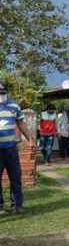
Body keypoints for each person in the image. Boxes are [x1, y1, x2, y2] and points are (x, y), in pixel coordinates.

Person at [0, 79, 36, 216]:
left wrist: (30, 139)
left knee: (16, 177)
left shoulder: (14, 105)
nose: (1, 94)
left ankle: (17, 205)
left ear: (7, 92)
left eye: (3, 92)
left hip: (11, 148)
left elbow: (21, 124)